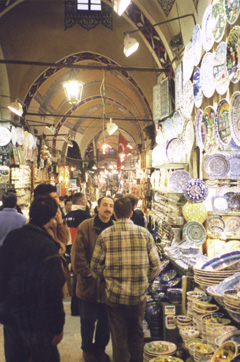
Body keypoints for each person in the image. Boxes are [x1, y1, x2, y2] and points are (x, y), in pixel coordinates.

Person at [91, 197, 161, 362]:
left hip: (114, 297)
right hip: (138, 296)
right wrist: (145, 282)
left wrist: (107, 278)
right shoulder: (144, 234)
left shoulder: (105, 235)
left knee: (118, 337)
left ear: (114, 214)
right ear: (131, 213)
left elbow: (94, 267)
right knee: (136, 334)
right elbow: (156, 266)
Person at [0, 195, 66, 362]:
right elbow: (52, 289)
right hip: (38, 321)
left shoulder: (13, 237)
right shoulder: (47, 245)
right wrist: (58, 325)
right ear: (52, 218)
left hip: (12, 318)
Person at [71, 196, 114, 362]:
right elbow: (77, 256)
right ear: (98, 207)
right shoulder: (86, 226)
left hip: (108, 287)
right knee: (87, 322)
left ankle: (100, 349)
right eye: (105, 205)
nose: (108, 209)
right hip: (88, 286)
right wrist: (88, 273)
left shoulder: (115, 228)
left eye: (111, 206)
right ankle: (87, 349)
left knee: (105, 323)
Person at [34, 183, 71, 298]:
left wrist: (60, 222)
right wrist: (60, 248)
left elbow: (65, 239)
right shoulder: (37, 224)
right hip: (45, 279)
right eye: (54, 197)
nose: (57, 200)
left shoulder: (53, 221)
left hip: (54, 274)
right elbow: (50, 249)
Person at [65, 192, 91, 316]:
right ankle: (80, 308)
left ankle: (74, 308)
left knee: (74, 277)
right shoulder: (85, 215)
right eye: (85, 201)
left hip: (69, 249)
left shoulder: (68, 215)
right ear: (80, 202)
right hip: (81, 249)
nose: (86, 203)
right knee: (80, 278)